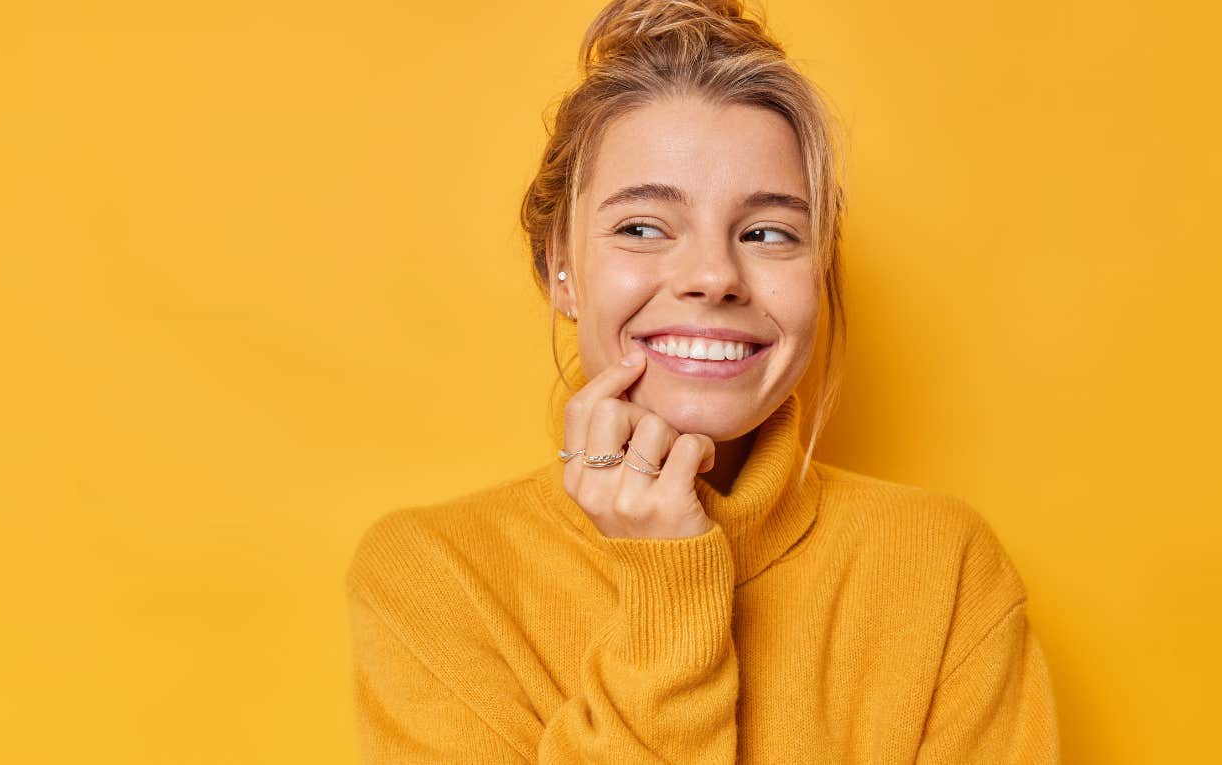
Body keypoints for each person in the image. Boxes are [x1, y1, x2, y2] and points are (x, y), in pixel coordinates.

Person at [345, 0, 1061, 761]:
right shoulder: (435, 576)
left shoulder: (943, 568)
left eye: (766, 232)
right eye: (643, 226)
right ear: (561, 266)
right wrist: (667, 584)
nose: (716, 275)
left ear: (816, 270)